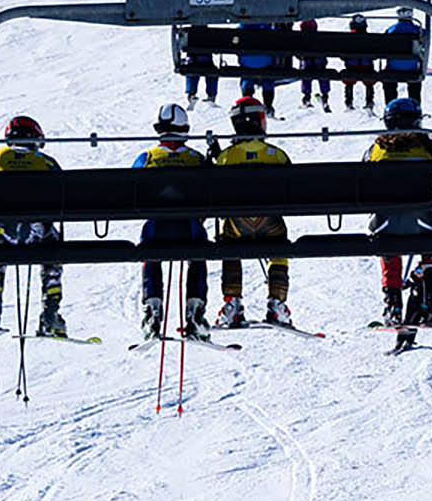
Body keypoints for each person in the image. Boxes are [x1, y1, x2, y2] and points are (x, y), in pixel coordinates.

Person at [366, 96, 432, 329]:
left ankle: (393, 301)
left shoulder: (377, 149)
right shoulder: (428, 148)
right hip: (424, 223)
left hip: (386, 224)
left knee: (388, 241)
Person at [0, 115, 67, 338]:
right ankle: (50, 312)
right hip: (40, 236)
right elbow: (63, 194)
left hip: (4, 236)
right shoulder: (46, 163)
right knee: (52, 248)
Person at [211, 96, 294, 328]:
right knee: (279, 244)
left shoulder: (227, 157)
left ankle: (232, 302)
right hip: (271, 226)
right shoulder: (275, 154)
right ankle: (277, 302)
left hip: (237, 226)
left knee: (228, 242)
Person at [136, 103, 210, 340]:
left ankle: (152, 310)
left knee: (150, 252)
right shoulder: (197, 159)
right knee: (198, 253)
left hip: (156, 230)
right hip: (190, 230)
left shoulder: (147, 158)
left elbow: (131, 191)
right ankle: (195, 312)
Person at [383, 7, 424, 101]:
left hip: (393, 68)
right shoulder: (418, 30)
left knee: (389, 80)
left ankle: (390, 104)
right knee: (415, 81)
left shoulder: (391, 30)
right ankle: (415, 104)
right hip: (411, 68)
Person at [342, 14, 379, 111]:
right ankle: (369, 101)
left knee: (349, 81)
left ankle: (349, 102)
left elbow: (342, 55)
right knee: (369, 80)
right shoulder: (370, 39)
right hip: (367, 67)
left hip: (351, 67)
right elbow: (375, 55)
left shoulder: (347, 39)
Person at [296, 19, 331, 110]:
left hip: (307, 65)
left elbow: (298, 54)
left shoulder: (301, 39)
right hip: (320, 65)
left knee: (306, 75)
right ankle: (325, 96)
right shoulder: (320, 38)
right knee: (323, 74)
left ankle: (306, 97)